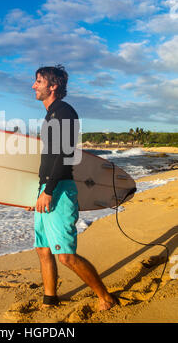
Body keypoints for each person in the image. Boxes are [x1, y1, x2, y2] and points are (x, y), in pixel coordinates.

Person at [26, 65, 118, 311]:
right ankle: (50, 298)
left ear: (52, 86)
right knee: (43, 249)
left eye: (38, 81)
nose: (34, 85)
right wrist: (38, 192)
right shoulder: (51, 115)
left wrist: (48, 191)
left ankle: (106, 298)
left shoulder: (65, 113)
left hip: (59, 189)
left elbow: (65, 154)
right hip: (46, 188)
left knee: (65, 255)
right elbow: (49, 157)